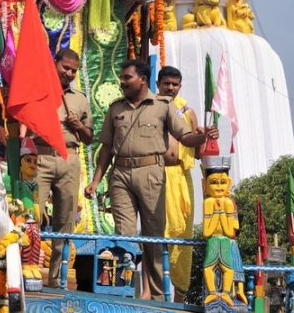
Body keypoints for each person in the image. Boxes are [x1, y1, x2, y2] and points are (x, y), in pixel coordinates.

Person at [84, 59, 216, 300]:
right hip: (120, 174)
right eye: (122, 77)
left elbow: (185, 137)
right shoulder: (116, 108)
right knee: (124, 234)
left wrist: (203, 137)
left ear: (142, 80)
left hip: (151, 173)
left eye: (127, 77)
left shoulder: (163, 106)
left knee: (153, 235)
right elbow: (106, 148)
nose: (122, 82)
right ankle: (122, 291)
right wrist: (95, 181)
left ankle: (155, 296)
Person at [34, 48, 92, 287]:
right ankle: (27, 271)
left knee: (65, 219)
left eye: (74, 71)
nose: (69, 73)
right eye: (65, 68)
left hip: (69, 158)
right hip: (41, 157)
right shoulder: (38, 91)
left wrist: (79, 126)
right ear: (54, 64)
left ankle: (56, 277)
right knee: (32, 216)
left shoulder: (79, 98)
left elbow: (89, 138)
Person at [157, 66, 199, 300]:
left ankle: (180, 296)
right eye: (167, 83)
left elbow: (199, 152)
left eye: (175, 84)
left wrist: (205, 135)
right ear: (158, 84)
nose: (171, 88)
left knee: (183, 233)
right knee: (157, 231)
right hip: (157, 174)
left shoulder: (187, 112)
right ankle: (155, 293)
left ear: (180, 87)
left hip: (182, 177)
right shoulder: (150, 109)